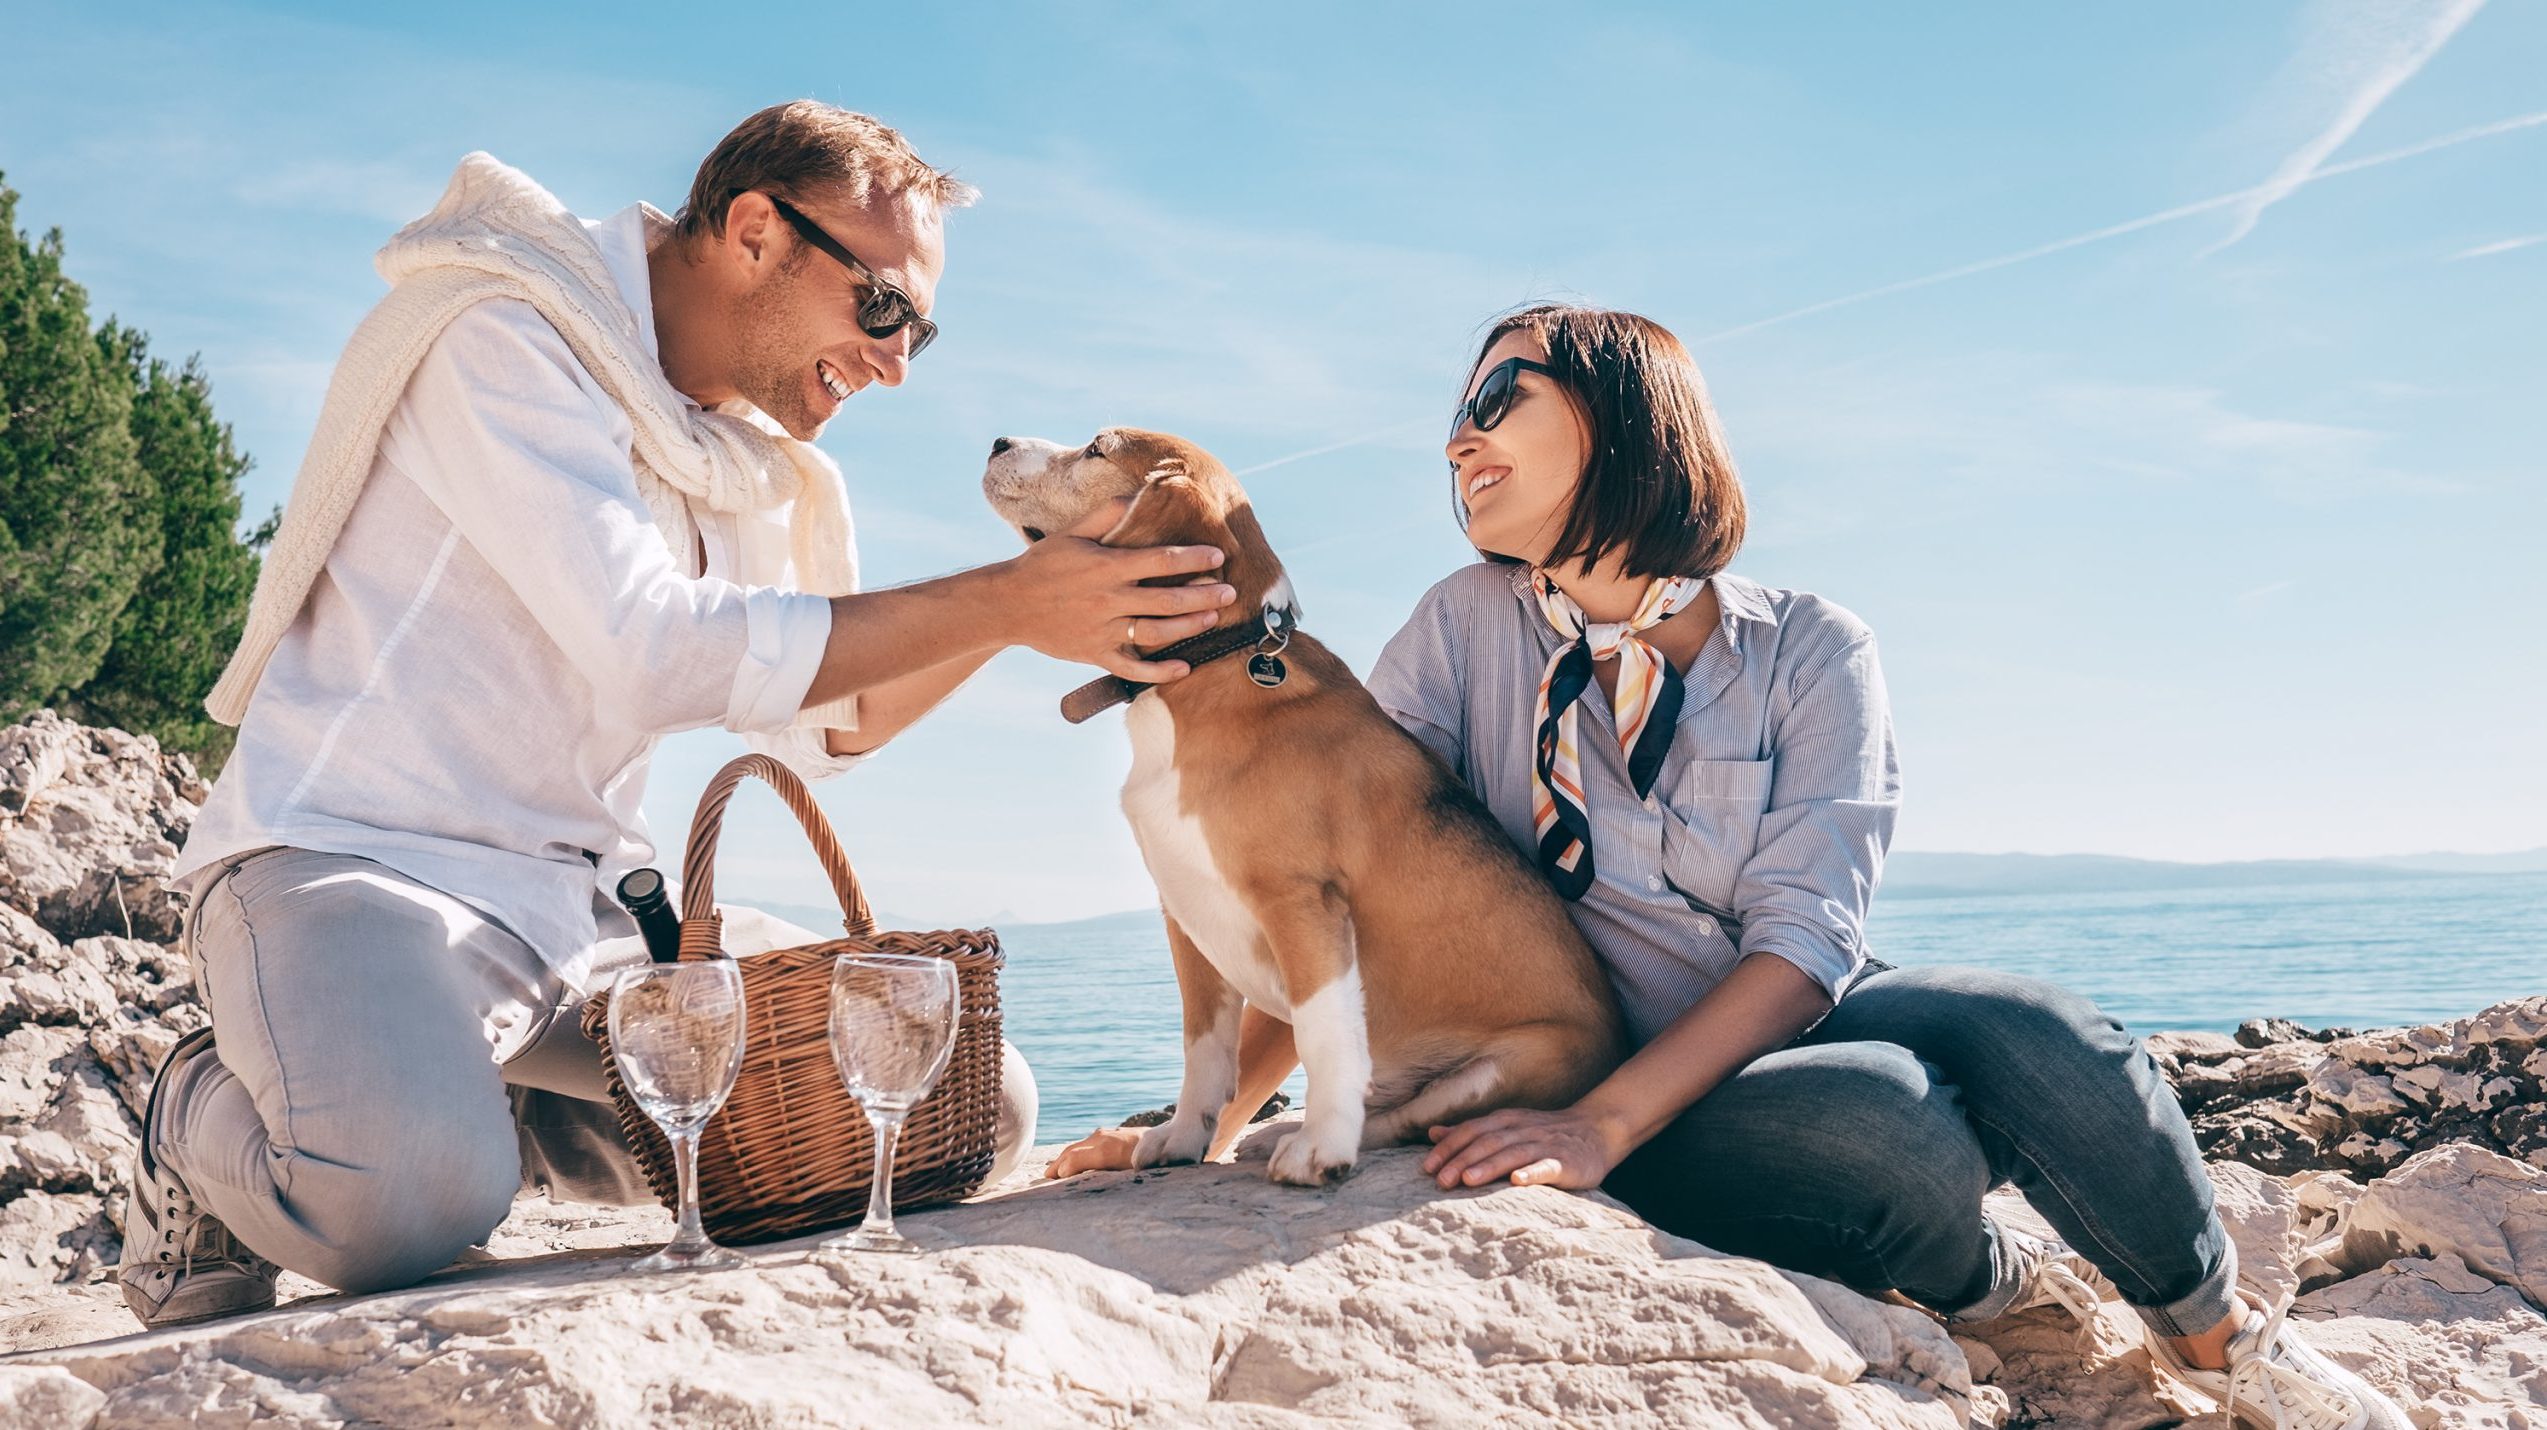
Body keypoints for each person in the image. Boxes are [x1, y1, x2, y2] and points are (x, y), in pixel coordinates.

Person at [1053, 305, 2408, 1430]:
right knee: (1882, 1114)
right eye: (1454, 404)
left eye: (1499, 390)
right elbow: (1332, 878)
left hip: (1770, 1011)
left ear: (1629, 419)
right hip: (1572, 1055)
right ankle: (2001, 1286)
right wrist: (1203, 1129)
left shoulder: (1814, 645)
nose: (1458, 429)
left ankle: (2227, 1344)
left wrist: (1607, 1128)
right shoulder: (1454, 629)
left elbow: (1809, 939)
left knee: (2032, 1024)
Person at [119, 100, 1237, 1328]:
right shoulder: (506, 335)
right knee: (407, 1204)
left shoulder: (736, 451)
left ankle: (480, 1101)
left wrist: (1029, 607)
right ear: (756, 230)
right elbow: (649, 649)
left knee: (949, 1099)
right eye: (882, 308)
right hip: (357, 861)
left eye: (922, 327)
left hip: (587, 914)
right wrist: (1008, 594)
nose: (896, 361)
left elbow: (841, 720)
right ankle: (202, 1105)